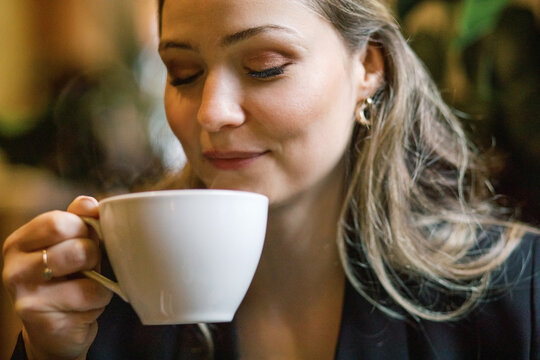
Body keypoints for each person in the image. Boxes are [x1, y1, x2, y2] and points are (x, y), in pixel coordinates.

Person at [3, 0, 539, 359]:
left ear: (368, 68)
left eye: (264, 65)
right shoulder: (104, 301)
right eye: (183, 73)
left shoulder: (517, 295)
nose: (212, 112)